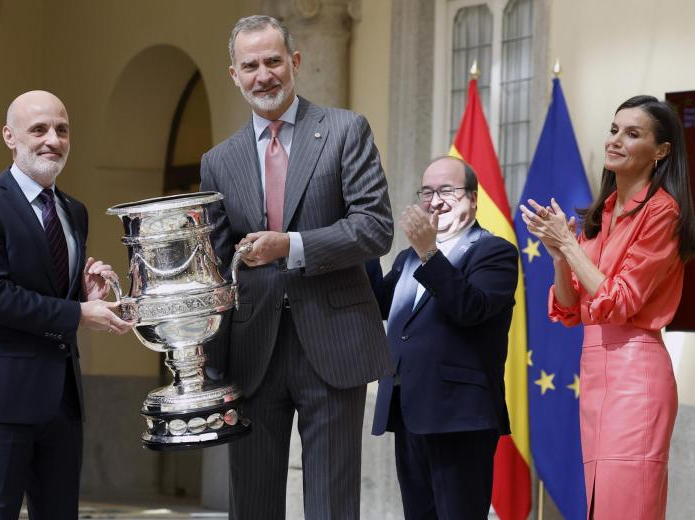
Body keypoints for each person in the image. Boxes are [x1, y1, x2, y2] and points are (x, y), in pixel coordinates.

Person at [199, 15, 394, 520]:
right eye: (250, 66)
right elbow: (216, 268)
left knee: (332, 506)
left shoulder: (345, 130)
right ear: (234, 75)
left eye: (272, 61)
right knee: (254, 504)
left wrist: (292, 245)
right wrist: (209, 364)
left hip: (333, 344)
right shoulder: (218, 161)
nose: (263, 75)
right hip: (251, 353)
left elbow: (375, 227)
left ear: (295, 63)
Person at [0, 90, 135, 520]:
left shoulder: (75, 210)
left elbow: (51, 294)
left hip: (62, 402)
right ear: (9, 136)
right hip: (1, 403)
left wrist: (84, 296)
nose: (52, 139)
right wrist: (77, 314)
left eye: (62, 129)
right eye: (39, 129)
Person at [520, 95, 695, 519]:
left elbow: (618, 300)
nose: (615, 140)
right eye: (614, 129)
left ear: (662, 152)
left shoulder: (663, 213)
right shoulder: (603, 213)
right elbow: (569, 309)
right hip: (595, 370)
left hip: (636, 373)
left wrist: (568, 243)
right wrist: (560, 255)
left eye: (632, 134)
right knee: (602, 508)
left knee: (627, 507)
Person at [367, 156, 518, 519]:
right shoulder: (408, 258)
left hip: (459, 417)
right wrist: (363, 243)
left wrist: (429, 251)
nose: (435, 200)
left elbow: (470, 308)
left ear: (473, 199)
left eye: (447, 191)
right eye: (427, 192)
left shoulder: (494, 251)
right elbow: (378, 305)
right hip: (408, 408)